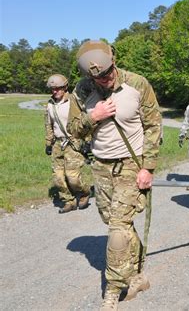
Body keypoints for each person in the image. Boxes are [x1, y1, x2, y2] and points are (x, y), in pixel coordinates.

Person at [67, 40, 162, 310]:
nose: (105, 79)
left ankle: (112, 289)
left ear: (114, 61)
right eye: (98, 77)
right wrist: (93, 117)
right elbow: (74, 130)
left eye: (108, 73)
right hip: (100, 165)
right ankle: (137, 273)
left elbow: (154, 126)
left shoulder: (137, 84)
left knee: (117, 229)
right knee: (115, 222)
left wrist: (148, 167)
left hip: (130, 164)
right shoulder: (82, 90)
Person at [44, 74, 90, 214]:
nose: (55, 91)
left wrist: (87, 141)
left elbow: (86, 122)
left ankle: (83, 193)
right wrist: (48, 143)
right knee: (58, 177)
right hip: (58, 144)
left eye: (58, 88)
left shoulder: (74, 101)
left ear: (65, 87)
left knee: (73, 177)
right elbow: (48, 125)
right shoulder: (50, 104)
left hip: (73, 142)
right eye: (52, 89)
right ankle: (68, 201)